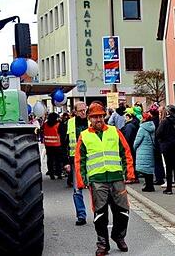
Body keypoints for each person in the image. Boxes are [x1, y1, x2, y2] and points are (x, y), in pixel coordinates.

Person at [75, 104, 135, 256]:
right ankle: (102, 244)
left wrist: (130, 172)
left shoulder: (114, 131)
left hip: (116, 178)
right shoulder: (85, 135)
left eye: (101, 116)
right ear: (90, 118)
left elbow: (126, 152)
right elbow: (79, 160)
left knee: (123, 212)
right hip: (97, 180)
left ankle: (118, 236)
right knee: (100, 214)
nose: (99, 119)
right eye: (95, 117)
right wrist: (82, 180)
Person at [63, 102, 89, 226]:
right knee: (77, 189)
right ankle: (81, 215)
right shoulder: (69, 123)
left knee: (95, 188)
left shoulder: (91, 122)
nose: (83, 113)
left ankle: (98, 214)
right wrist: (66, 162)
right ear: (75, 112)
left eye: (85, 110)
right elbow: (65, 144)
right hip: (75, 159)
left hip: (91, 158)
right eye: (81, 111)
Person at [155, 105, 175, 195]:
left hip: (167, 147)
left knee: (168, 168)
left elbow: (158, 133)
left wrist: (162, 141)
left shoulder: (165, 122)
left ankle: (169, 188)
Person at [133, 112, 156, 192]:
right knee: (148, 169)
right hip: (150, 149)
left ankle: (148, 186)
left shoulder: (142, 128)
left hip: (142, 150)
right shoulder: (152, 127)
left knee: (144, 169)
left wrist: (134, 147)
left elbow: (137, 140)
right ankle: (150, 185)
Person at [42, 113, 63, 180]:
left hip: (48, 146)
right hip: (57, 145)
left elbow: (42, 132)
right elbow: (61, 135)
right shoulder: (58, 124)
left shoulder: (45, 124)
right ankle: (59, 174)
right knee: (58, 160)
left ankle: (51, 174)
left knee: (50, 160)